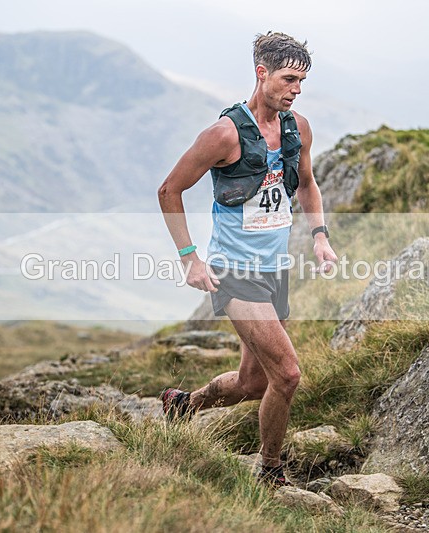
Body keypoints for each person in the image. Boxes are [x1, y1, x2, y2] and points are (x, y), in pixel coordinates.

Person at [157, 31, 337, 487]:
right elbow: (169, 190)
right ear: (262, 74)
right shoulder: (225, 134)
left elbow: (308, 183)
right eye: (288, 79)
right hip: (233, 273)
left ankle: (183, 404)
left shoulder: (299, 127)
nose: (296, 89)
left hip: (273, 271)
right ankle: (271, 470)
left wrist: (319, 236)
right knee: (289, 374)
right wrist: (190, 259)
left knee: (253, 383)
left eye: (302, 81)